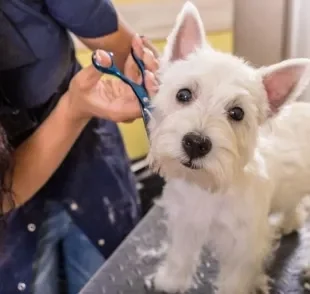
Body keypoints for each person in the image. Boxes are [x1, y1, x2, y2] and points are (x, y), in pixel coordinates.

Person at [0, 1, 159, 294]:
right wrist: (74, 109)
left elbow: (104, 28)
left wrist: (138, 64)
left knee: (111, 275)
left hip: (87, 152)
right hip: (10, 207)